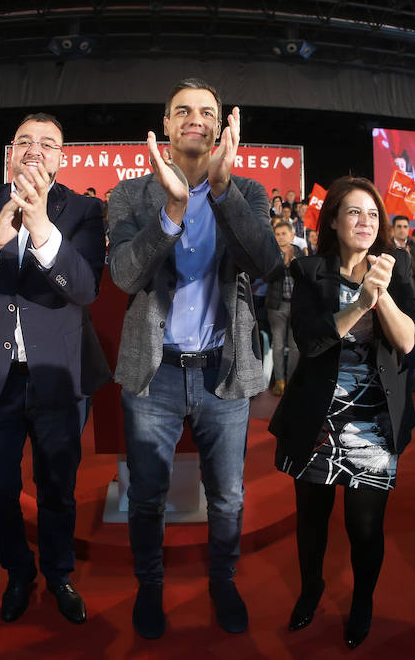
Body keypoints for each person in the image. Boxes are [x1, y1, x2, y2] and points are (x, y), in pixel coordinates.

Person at [107, 77, 279, 639]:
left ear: (222, 125)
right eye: (182, 110)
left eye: (207, 111)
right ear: (166, 124)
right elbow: (125, 275)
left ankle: (222, 581)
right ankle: (149, 586)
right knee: (146, 497)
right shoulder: (130, 195)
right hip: (153, 375)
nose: (195, 119)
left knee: (227, 496)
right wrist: (173, 211)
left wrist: (221, 191)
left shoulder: (247, 191)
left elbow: (266, 262)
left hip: (221, 374)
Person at [0, 112, 107, 625]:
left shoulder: (84, 211)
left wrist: (42, 227)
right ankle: (18, 571)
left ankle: (58, 574)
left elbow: (85, 288)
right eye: (25, 141)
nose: (34, 149)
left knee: (57, 489)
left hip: (58, 378)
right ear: (10, 153)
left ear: (61, 158)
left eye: (47, 143)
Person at [269, 176, 415, 649]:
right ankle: (311, 590)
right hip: (317, 416)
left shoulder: (397, 266)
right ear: (333, 220)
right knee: (311, 520)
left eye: (372, 214)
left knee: (365, 527)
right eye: (354, 212)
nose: (365, 221)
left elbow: (407, 341)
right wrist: (359, 303)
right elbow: (310, 341)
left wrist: (381, 292)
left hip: (374, 422)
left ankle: (363, 602)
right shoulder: (309, 271)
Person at [265, 221, 303, 396]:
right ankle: (280, 380)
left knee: (295, 346)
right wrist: (283, 263)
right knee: (278, 344)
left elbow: (306, 276)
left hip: (297, 305)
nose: (280, 237)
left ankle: (292, 379)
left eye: (284, 233)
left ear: (292, 235)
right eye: (277, 234)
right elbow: (266, 276)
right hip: (276, 305)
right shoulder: (271, 253)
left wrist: (293, 262)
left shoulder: (300, 252)